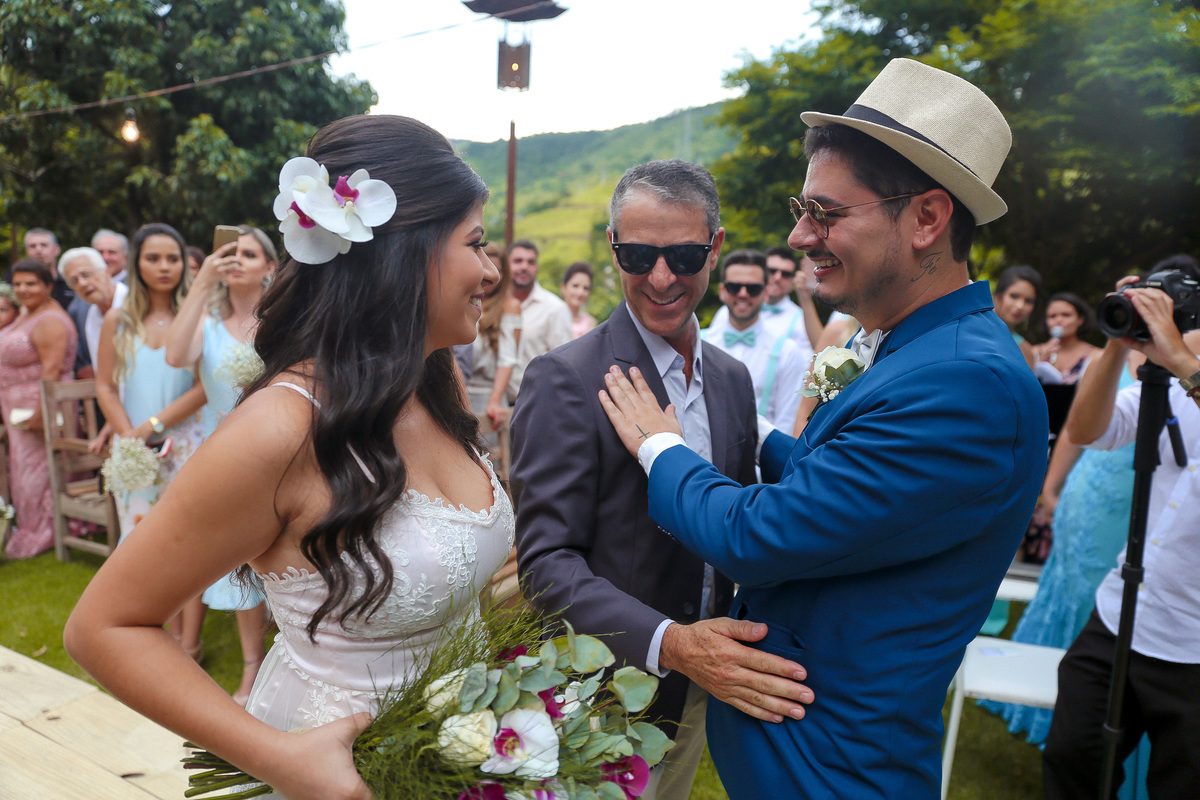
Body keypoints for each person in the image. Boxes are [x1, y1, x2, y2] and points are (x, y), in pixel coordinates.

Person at [597, 59, 1047, 799]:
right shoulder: (919, 348)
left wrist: (660, 444)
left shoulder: (966, 383)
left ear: (927, 219)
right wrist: (740, 420)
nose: (800, 234)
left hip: (833, 770)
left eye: (826, 212)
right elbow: (845, 486)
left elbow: (760, 535)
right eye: (802, 208)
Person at [65, 114, 511, 800]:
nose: (491, 270)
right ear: (405, 252)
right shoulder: (281, 429)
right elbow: (104, 627)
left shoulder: (435, 380)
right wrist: (279, 758)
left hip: (459, 758)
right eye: (475, 243)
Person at [512, 159, 812, 800]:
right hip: (597, 692)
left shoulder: (731, 378)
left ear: (716, 247)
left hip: (700, 692)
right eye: (639, 255)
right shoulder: (565, 378)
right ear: (613, 246)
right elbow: (544, 565)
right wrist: (671, 645)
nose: (661, 277)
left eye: (683, 255)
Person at [1042, 275, 1200, 799]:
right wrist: (1117, 342)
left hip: (1193, 646)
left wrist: (1182, 361)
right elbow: (1088, 430)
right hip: (1123, 616)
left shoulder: (1188, 370)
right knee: (1071, 759)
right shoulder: (1174, 381)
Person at [164, 225, 277, 705]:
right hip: (222, 455)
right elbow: (176, 355)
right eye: (229, 253)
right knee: (237, 559)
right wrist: (202, 281)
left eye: (248, 254)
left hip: (278, 450)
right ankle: (253, 663)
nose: (236, 261)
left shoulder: (283, 322)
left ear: (270, 266)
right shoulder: (208, 325)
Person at [94, 223, 207, 656]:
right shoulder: (117, 320)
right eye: (153, 258)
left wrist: (153, 425)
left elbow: (204, 386)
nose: (164, 267)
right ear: (137, 263)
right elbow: (105, 385)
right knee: (144, 546)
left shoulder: (198, 317)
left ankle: (189, 644)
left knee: (188, 548)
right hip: (134, 450)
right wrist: (129, 434)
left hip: (186, 444)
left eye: (173, 258)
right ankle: (160, 636)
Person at [0, 259, 78, 558]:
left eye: (31, 283)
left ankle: (45, 531)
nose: (23, 289)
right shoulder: (27, 313)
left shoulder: (49, 320)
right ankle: (32, 526)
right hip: (17, 410)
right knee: (25, 470)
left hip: (40, 408)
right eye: (18, 283)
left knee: (37, 472)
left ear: (48, 286)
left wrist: (40, 412)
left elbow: (52, 370)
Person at [702, 249, 806, 430]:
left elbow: (786, 424)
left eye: (753, 288)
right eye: (734, 287)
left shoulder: (787, 353)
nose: (743, 294)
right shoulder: (696, 343)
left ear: (765, 293)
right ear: (722, 291)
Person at [710, 246, 819, 365]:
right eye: (772, 271)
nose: (777, 278)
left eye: (786, 274)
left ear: (793, 279)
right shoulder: (725, 312)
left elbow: (808, 363)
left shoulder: (801, 320)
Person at [466, 241, 521, 441]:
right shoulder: (465, 300)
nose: (490, 274)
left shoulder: (510, 305)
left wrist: (495, 399)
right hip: (460, 392)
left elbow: (507, 359)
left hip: (489, 397)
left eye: (498, 269)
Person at [507, 238, 571, 396]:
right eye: (518, 261)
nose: (524, 267)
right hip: (492, 402)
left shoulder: (554, 308)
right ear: (506, 264)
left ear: (537, 267)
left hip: (536, 399)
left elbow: (564, 363)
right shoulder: (493, 304)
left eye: (531, 262)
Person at [1034, 292, 1100, 384]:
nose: (1059, 320)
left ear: (1080, 319)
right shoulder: (1032, 353)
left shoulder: (1096, 356)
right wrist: (1040, 365)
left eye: (1066, 315)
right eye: (1052, 316)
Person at [992, 264, 1041, 368]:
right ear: (998, 296)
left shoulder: (1026, 352)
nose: (1020, 306)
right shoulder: (971, 329)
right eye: (1014, 296)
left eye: (1029, 301)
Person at [22, 228, 75, 309]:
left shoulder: (71, 280)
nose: (38, 250)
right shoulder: (17, 282)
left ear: (56, 249)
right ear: (26, 251)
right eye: (32, 246)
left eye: (44, 245)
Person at [562, 261, 597, 338]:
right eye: (575, 286)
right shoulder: (552, 318)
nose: (580, 292)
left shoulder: (591, 322)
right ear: (564, 287)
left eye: (586, 288)